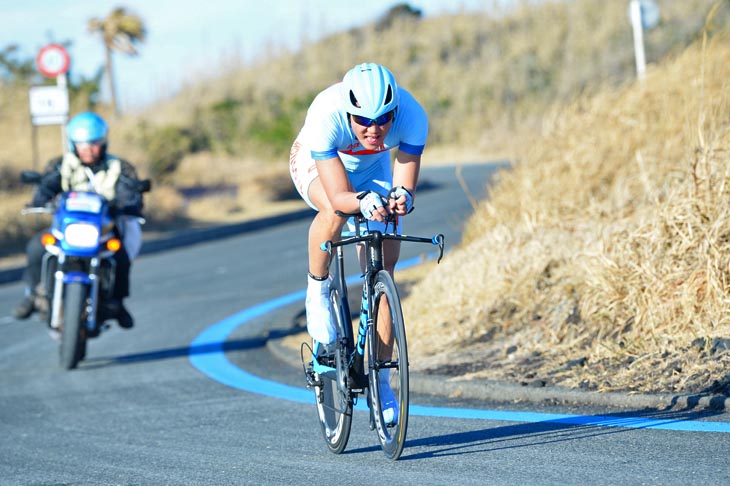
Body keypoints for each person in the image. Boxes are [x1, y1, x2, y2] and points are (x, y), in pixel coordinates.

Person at [289, 62, 428, 423]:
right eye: (363, 120)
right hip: (321, 162)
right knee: (335, 212)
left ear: (395, 111)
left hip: (373, 167)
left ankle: (381, 382)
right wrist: (360, 200)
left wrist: (403, 198)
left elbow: (406, 183)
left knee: (385, 262)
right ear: (349, 113)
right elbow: (339, 196)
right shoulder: (326, 116)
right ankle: (317, 290)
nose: (374, 127)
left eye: (383, 119)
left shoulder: (413, 116)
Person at [13, 111, 144, 329]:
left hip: (102, 228)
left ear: (103, 143)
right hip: (66, 228)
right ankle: (34, 294)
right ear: (74, 144)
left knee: (119, 256)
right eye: (82, 144)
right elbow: (45, 186)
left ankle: (117, 303)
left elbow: (129, 193)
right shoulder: (59, 165)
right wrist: (42, 200)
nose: (88, 150)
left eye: (94, 144)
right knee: (36, 248)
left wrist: (126, 205)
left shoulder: (119, 167)